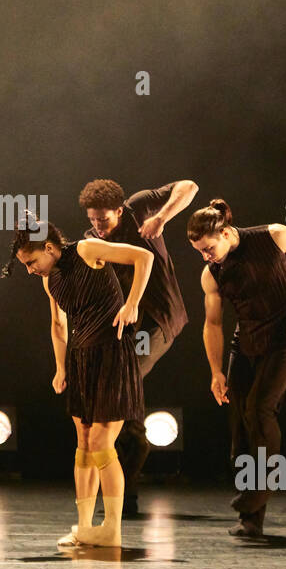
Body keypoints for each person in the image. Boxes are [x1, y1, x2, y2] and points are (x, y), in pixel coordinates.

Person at [3, 216, 153, 548]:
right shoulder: (50, 281)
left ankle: (111, 529)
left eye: (31, 262)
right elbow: (58, 325)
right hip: (81, 360)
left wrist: (132, 304)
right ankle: (85, 526)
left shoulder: (87, 250)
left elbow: (145, 257)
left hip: (112, 354)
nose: (30, 270)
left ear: (49, 247)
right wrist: (60, 368)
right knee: (83, 445)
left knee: (101, 444)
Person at [187, 199, 286, 537]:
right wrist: (216, 371)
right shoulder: (212, 272)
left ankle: (255, 495)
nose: (206, 256)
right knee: (241, 425)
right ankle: (251, 520)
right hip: (245, 346)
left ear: (224, 232)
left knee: (259, 410)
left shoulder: (275, 236)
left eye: (208, 248)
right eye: (199, 252)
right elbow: (213, 324)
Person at [80, 178, 197, 515]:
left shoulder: (140, 208)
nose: (98, 226)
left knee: (122, 382)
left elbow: (188, 186)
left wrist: (161, 217)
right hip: (126, 327)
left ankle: (126, 488)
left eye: (104, 219)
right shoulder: (92, 240)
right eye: (92, 220)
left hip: (159, 318)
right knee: (116, 392)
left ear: (120, 210)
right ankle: (123, 485)